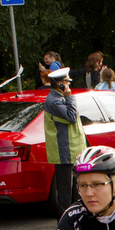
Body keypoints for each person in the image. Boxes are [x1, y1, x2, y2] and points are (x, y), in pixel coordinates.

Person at [42, 67, 86, 214]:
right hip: (63, 151)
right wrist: (69, 96)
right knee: (65, 190)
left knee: (75, 187)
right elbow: (71, 117)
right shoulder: (54, 101)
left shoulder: (59, 98)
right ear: (61, 84)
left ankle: (75, 215)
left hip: (71, 149)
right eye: (67, 83)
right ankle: (65, 219)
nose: (69, 86)